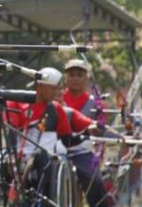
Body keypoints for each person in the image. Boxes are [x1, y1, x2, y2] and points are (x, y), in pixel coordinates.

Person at [6, 67, 98, 203]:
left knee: (42, 159)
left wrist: (87, 133)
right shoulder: (17, 104)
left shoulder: (55, 108)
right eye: (53, 89)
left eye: (58, 88)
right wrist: (11, 155)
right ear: (40, 86)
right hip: (20, 155)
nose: (57, 92)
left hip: (47, 157)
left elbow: (66, 140)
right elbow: (11, 131)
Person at [62, 59, 114, 207]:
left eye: (80, 75)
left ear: (87, 79)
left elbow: (103, 130)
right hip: (57, 147)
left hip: (82, 151)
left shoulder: (95, 104)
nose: (75, 79)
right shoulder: (57, 99)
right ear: (65, 78)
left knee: (95, 182)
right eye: (71, 75)